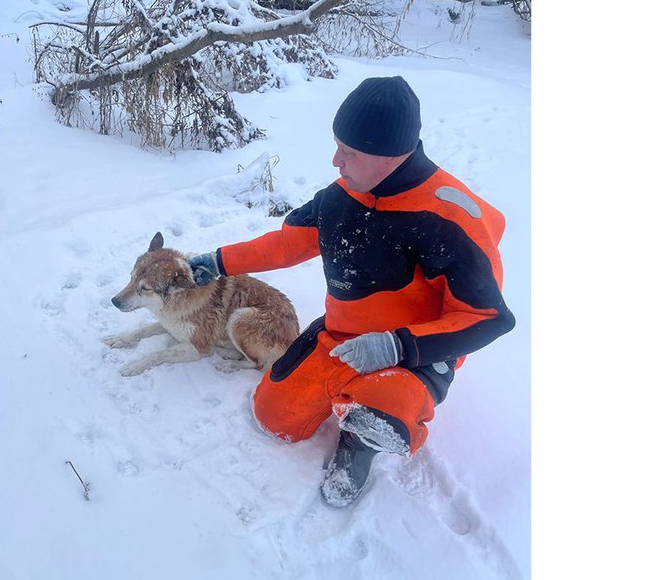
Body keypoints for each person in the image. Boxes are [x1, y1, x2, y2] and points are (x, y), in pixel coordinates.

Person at [188, 76, 515, 508]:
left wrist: (396, 346)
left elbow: (489, 318)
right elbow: (287, 244)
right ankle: (350, 397)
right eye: (337, 144)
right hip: (342, 337)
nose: (335, 160)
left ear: (392, 156)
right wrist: (219, 261)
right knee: (275, 419)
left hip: (414, 356)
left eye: (350, 152)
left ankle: (361, 441)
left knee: (386, 407)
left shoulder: (450, 219)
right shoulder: (341, 198)